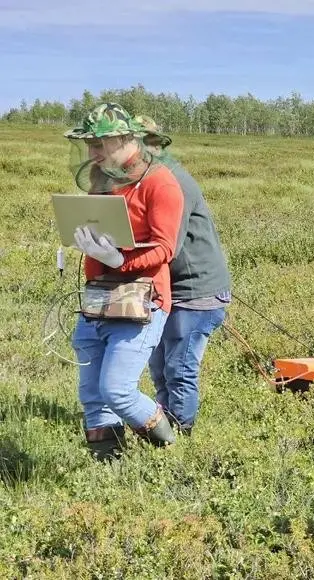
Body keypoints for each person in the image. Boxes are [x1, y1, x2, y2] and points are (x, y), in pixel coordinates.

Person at [66, 103, 185, 460]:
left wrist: (120, 260)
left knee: (116, 389)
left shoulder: (161, 184)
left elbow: (165, 248)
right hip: (97, 299)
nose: (92, 153)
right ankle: (108, 467)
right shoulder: (103, 181)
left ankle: (168, 452)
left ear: (124, 139)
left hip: (141, 302)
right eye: (88, 145)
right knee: (92, 393)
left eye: (98, 144)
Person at [134, 115, 232, 435]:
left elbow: (167, 248)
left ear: (153, 146)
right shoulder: (147, 180)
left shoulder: (171, 182)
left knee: (179, 368)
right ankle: (164, 428)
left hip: (196, 292)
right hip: (172, 289)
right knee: (160, 367)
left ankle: (180, 435)